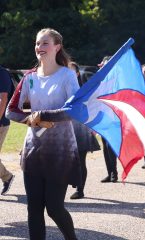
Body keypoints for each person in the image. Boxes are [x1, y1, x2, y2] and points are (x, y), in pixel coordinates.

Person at [6, 28, 80, 240]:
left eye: (45, 43)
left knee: (54, 208)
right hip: (33, 152)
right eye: (38, 43)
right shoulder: (29, 77)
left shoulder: (67, 75)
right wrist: (29, 119)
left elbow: (74, 110)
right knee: (34, 209)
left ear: (57, 47)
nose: (39, 47)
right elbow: (12, 110)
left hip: (61, 152)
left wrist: (43, 115)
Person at [68, 61, 101, 199]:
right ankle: (74, 181)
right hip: (66, 129)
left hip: (81, 129)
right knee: (68, 160)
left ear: (76, 73)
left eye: (71, 71)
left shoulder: (85, 91)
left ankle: (80, 190)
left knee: (81, 160)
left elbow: (93, 109)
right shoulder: (61, 88)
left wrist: (93, 127)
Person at [98, 56, 118, 183]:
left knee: (110, 146)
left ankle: (114, 173)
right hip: (102, 116)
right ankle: (109, 171)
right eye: (103, 65)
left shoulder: (116, 79)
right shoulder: (100, 80)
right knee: (105, 146)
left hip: (113, 116)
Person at [0, 65, 14, 195]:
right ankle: (7, 177)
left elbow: (3, 99)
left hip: (1, 123)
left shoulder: (2, 73)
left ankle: (7, 177)